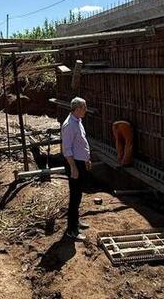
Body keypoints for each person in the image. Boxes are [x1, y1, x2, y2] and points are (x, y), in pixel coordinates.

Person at [61, 97, 92, 241]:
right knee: (74, 196)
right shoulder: (69, 125)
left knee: (78, 194)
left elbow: (82, 143)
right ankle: (71, 230)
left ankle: (76, 222)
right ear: (77, 109)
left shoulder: (78, 121)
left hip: (81, 162)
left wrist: (87, 159)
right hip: (74, 164)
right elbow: (67, 150)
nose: (86, 110)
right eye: (84, 107)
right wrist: (73, 167)